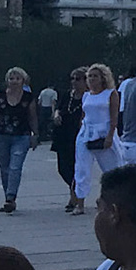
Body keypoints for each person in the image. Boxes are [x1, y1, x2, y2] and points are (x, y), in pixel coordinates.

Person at [0, 67, 38, 214]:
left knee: (15, 166)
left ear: (23, 80)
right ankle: (8, 197)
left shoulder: (28, 98)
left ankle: (10, 197)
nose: (14, 81)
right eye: (11, 78)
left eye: (17, 78)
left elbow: (32, 117)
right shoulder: (0, 96)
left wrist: (35, 135)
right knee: (4, 167)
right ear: (7, 81)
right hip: (1, 135)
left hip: (21, 135)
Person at [75, 64, 122, 206]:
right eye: (89, 76)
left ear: (103, 78)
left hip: (104, 131)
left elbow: (114, 118)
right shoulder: (86, 95)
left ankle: (111, 198)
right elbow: (84, 115)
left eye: (95, 76)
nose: (92, 79)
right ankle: (80, 202)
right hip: (87, 132)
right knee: (82, 168)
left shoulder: (110, 93)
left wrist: (110, 136)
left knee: (112, 168)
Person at [53, 70, 86, 214]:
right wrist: (56, 115)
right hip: (63, 133)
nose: (74, 81)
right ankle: (74, 191)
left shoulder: (88, 97)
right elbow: (58, 108)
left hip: (78, 134)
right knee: (63, 168)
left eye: (78, 79)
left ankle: (75, 198)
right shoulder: (68, 95)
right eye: (72, 78)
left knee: (76, 167)